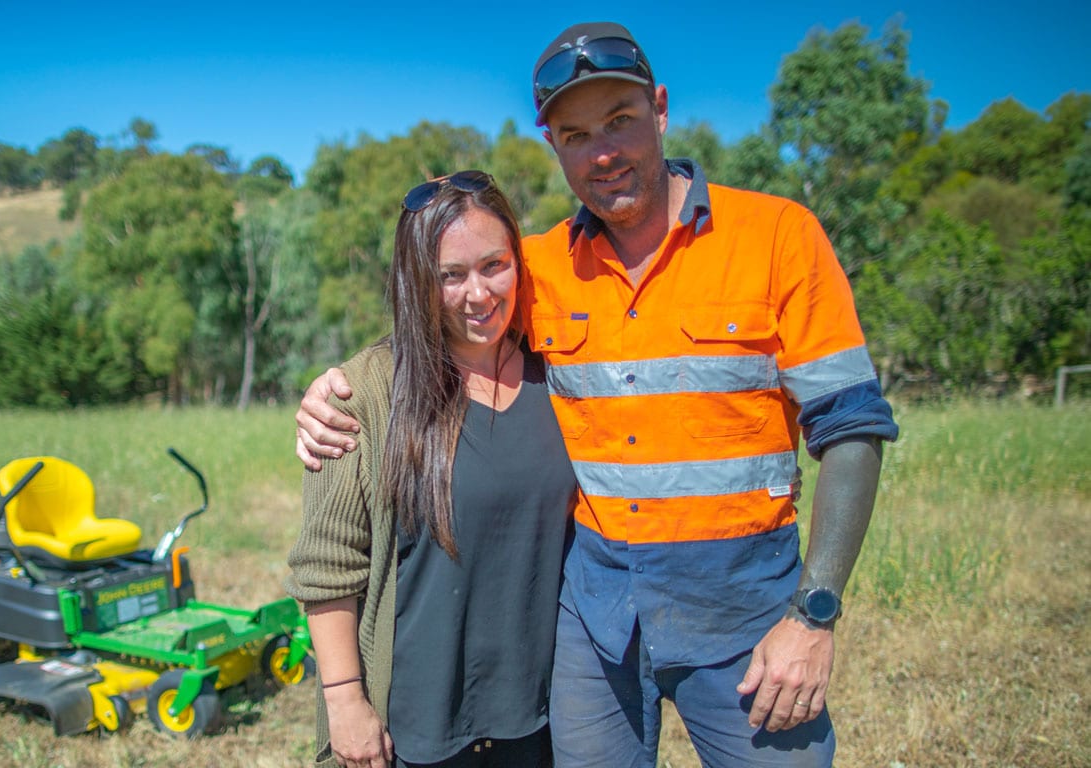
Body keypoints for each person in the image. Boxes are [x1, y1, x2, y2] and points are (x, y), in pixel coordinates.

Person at [294, 21, 899, 768]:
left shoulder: (779, 235)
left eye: (620, 121)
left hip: (748, 619)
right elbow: (447, 319)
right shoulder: (540, 265)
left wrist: (814, 615)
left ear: (661, 109)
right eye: (577, 134)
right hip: (597, 628)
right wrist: (340, 386)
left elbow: (852, 426)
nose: (603, 151)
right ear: (554, 145)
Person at [286, 171, 576, 768]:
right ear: (418, 279)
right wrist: (345, 704)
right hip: (413, 729)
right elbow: (328, 566)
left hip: (546, 717)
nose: (478, 294)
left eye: (495, 265)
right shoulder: (364, 391)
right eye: (451, 275)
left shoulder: (563, 375)